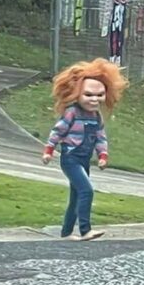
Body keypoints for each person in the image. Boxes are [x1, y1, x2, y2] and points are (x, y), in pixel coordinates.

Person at [41, 59, 128, 241]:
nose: (94, 99)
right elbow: (58, 130)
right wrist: (49, 150)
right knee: (86, 190)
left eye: (100, 95)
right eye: (88, 95)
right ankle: (85, 230)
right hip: (71, 158)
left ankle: (65, 233)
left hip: (85, 159)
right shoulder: (72, 112)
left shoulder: (96, 116)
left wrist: (103, 155)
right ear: (77, 93)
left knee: (76, 196)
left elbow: (100, 137)